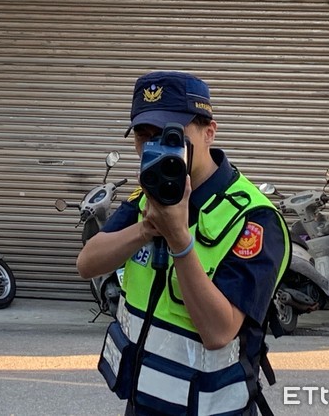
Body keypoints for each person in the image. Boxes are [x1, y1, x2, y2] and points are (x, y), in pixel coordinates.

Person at [76, 71, 290, 416]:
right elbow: (88, 264)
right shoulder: (145, 197)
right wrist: (146, 229)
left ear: (209, 132)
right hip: (142, 403)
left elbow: (219, 332)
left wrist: (179, 240)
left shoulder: (254, 219)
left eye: (169, 135)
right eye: (144, 137)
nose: (154, 148)